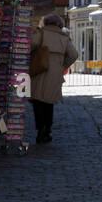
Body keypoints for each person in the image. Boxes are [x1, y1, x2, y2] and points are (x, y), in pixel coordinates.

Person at [29, 13, 78, 144]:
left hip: (39, 69)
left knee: (37, 101)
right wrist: (62, 66)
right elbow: (73, 55)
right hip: (55, 73)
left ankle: (40, 130)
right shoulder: (64, 37)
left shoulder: (41, 33)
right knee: (49, 102)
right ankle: (48, 129)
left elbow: (31, 45)